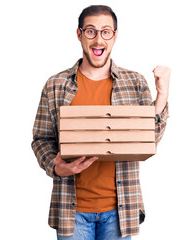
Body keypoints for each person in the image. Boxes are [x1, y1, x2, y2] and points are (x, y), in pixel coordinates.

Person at [31, 5, 170, 240]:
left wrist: (162, 96)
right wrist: (55, 167)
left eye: (106, 31)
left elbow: (149, 138)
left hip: (120, 210)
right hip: (71, 210)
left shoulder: (135, 83)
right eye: (91, 31)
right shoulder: (55, 85)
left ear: (115, 36)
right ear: (79, 34)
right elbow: (41, 139)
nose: (98, 39)